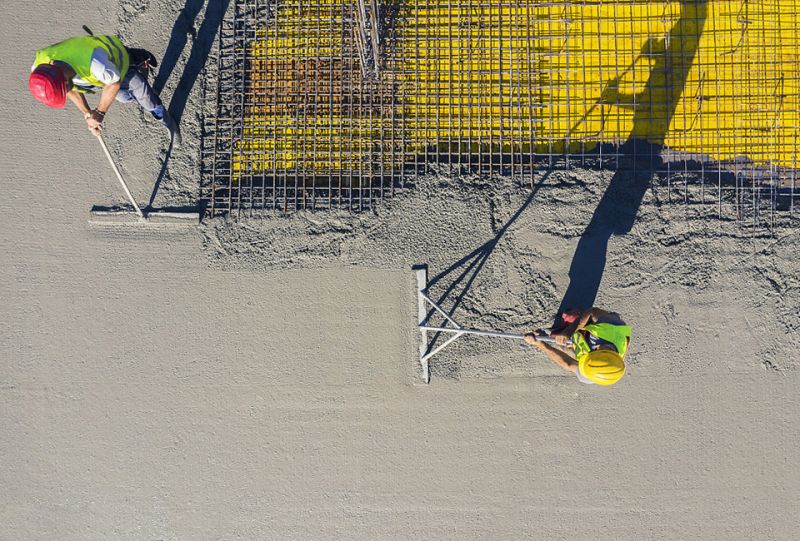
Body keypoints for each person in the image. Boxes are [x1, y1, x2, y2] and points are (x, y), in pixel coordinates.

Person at [29, 34, 181, 144]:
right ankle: (138, 63)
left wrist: (100, 113)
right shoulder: (40, 68)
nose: (66, 92)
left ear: (62, 77)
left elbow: (113, 83)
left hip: (117, 62)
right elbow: (69, 89)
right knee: (123, 97)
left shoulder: (95, 64)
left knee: (148, 100)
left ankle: (166, 120)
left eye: (64, 88)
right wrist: (88, 115)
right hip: (104, 72)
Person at [524, 307, 630, 386]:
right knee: (571, 318)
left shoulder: (594, 372)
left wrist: (539, 343)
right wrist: (569, 331)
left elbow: (568, 364)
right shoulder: (613, 325)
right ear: (596, 351)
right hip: (597, 324)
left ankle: (557, 336)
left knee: (561, 342)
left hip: (587, 341)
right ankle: (572, 321)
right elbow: (592, 311)